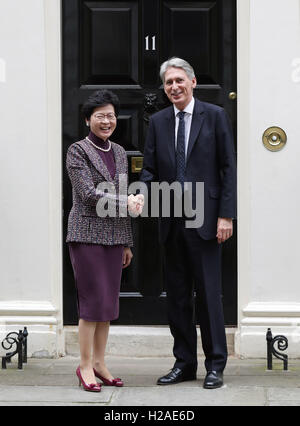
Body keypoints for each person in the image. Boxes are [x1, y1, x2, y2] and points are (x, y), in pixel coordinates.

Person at [140, 58, 237, 389]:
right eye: (168, 83)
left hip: (208, 220)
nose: (174, 87)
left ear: (193, 82)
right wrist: (144, 196)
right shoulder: (158, 121)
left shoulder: (215, 116)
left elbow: (228, 168)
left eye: (179, 80)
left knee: (209, 295)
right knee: (178, 297)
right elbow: (150, 169)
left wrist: (226, 215)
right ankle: (184, 363)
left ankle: (215, 365)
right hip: (171, 220)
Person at [66, 89, 141, 392]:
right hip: (86, 234)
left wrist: (126, 242)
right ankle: (84, 366)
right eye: (100, 116)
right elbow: (86, 194)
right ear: (88, 120)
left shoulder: (120, 152)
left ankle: (100, 362)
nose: (107, 121)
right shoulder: (77, 151)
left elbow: (121, 196)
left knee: (108, 305)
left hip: (113, 237)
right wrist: (127, 203)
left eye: (110, 116)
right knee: (92, 304)